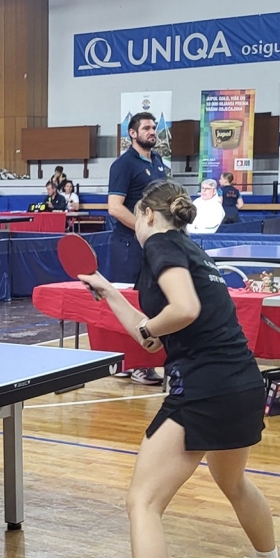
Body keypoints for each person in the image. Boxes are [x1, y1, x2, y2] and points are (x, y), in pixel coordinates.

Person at [78, 179, 280, 558]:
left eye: (135, 217)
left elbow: (182, 312)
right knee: (232, 480)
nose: (132, 226)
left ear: (148, 216)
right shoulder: (193, 252)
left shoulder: (163, 248)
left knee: (142, 502)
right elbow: (152, 338)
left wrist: (153, 327)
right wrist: (109, 292)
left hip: (203, 388)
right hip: (241, 383)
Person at [107, 111, 169, 386]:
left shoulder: (158, 162)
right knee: (130, 305)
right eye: (146, 128)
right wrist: (143, 230)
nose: (152, 131)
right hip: (128, 245)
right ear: (132, 133)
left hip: (152, 244)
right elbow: (115, 207)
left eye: (154, 127)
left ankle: (139, 361)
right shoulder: (123, 165)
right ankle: (131, 363)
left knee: (152, 301)